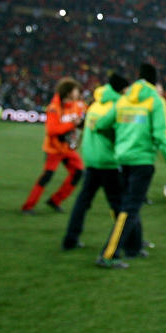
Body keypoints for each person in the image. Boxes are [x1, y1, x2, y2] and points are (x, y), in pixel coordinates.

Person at [95, 62, 166, 268]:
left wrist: (119, 141)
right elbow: (160, 134)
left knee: (131, 204)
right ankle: (109, 254)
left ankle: (133, 248)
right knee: (131, 207)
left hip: (122, 158)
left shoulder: (124, 98)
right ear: (155, 80)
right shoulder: (155, 100)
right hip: (141, 160)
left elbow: (101, 125)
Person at [62, 72, 129, 251]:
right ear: (122, 90)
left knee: (83, 202)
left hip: (91, 160)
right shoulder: (116, 107)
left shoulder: (95, 105)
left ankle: (70, 239)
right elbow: (118, 135)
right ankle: (129, 240)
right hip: (108, 161)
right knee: (120, 204)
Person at [20, 78, 86, 214]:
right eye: (75, 91)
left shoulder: (77, 106)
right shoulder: (53, 108)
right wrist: (72, 124)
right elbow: (52, 130)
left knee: (78, 172)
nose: (78, 93)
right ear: (68, 92)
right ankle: (28, 206)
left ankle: (55, 200)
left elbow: (80, 121)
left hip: (67, 148)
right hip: (54, 149)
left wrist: (80, 123)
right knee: (47, 176)